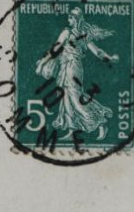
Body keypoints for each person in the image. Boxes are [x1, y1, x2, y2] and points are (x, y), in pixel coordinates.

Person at [35, 8, 119, 141]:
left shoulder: (70, 33)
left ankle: (100, 123)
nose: (68, 20)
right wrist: (109, 57)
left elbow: (55, 50)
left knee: (75, 97)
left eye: (70, 18)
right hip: (66, 67)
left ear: (76, 19)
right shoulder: (79, 34)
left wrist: (41, 64)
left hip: (73, 68)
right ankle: (71, 130)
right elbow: (56, 49)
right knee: (66, 96)